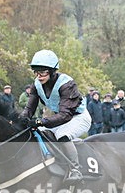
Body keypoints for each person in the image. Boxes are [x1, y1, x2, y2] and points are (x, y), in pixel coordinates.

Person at [21, 49, 91, 183]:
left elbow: (65, 115)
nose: (39, 76)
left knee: (62, 135)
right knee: (38, 133)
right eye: (36, 72)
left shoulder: (66, 84)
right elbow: (29, 109)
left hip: (78, 117)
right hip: (61, 118)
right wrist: (21, 119)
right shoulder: (36, 85)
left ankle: (75, 169)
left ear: (52, 71)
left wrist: (41, 121)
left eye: (43, 72)